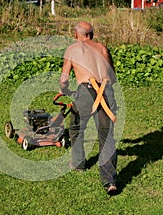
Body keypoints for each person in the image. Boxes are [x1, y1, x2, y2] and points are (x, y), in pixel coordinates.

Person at [59, 21, 118, 195]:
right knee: (106, 135)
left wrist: (64, 90)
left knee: (76, 126)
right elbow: (112, 77)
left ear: (76, 34)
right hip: (106, 90)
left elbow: (64, 79)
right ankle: (110, 182)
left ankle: (78, 163)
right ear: (92, 34)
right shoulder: (103, 48)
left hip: (86, 90)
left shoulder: (73, 49)